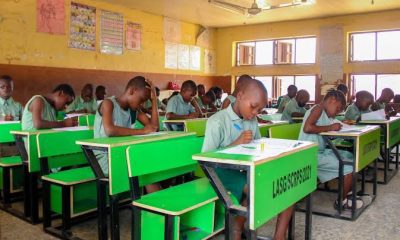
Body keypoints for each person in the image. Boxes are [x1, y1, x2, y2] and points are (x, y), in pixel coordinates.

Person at [202, 78, 293, 240]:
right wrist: (234, 144)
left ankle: (280, 235)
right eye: (253, 107)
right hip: (221, 173)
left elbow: (258, 145)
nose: (255, 113)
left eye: (259, 110)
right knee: (256, 189)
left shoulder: (252, 120)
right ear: (240, 95)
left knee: (286, 186)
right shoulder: (216, 121)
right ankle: (237, 227)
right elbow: (206, 159)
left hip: (247, 170)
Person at [299, 89, 364, 210]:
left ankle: (348, 194)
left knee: (349, 156)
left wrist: (336, 126)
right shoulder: (318, 109)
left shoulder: (326, 114)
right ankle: (341, 201)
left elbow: (325, 127)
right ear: (332, 100)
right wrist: (330, 127)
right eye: (338, 108)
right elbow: (307, 128)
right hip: (309, 154)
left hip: (320, 151)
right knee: (349, 166)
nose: (337, 112)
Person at [93, 76, 159, 176]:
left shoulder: (133, 110)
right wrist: (142, 131)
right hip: (104, 157)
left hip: (122, 154)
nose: (143, 104)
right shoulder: (108, 104)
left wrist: (154, 100)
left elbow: (154, 127)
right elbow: (110, 131)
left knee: (153, 163)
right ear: (132, 91)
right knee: (143, 167)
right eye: (141, 100)